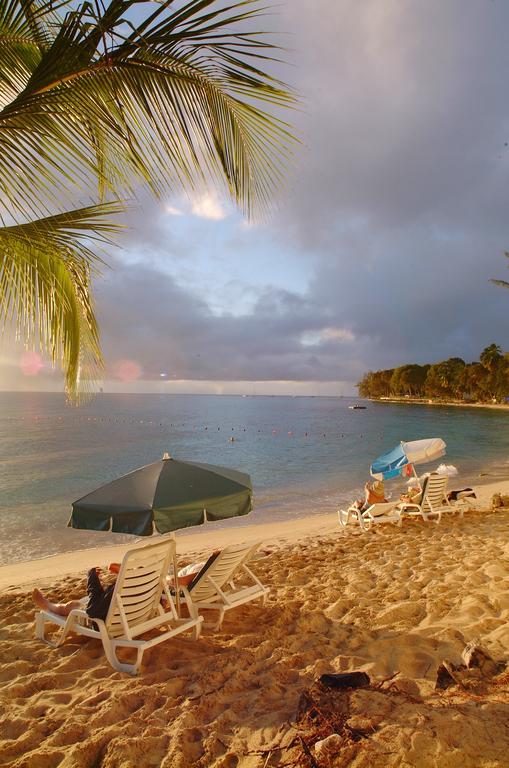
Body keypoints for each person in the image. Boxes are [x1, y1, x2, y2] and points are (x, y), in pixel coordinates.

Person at [32, 567, 115, 622]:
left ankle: (48, 605)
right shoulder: (125, 587)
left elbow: (93, 610)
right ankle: (49, 605)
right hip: (123, 622)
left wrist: (91, 576)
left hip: (99, 621)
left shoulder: (118, 588)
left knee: (71, 606)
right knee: (84, 602)